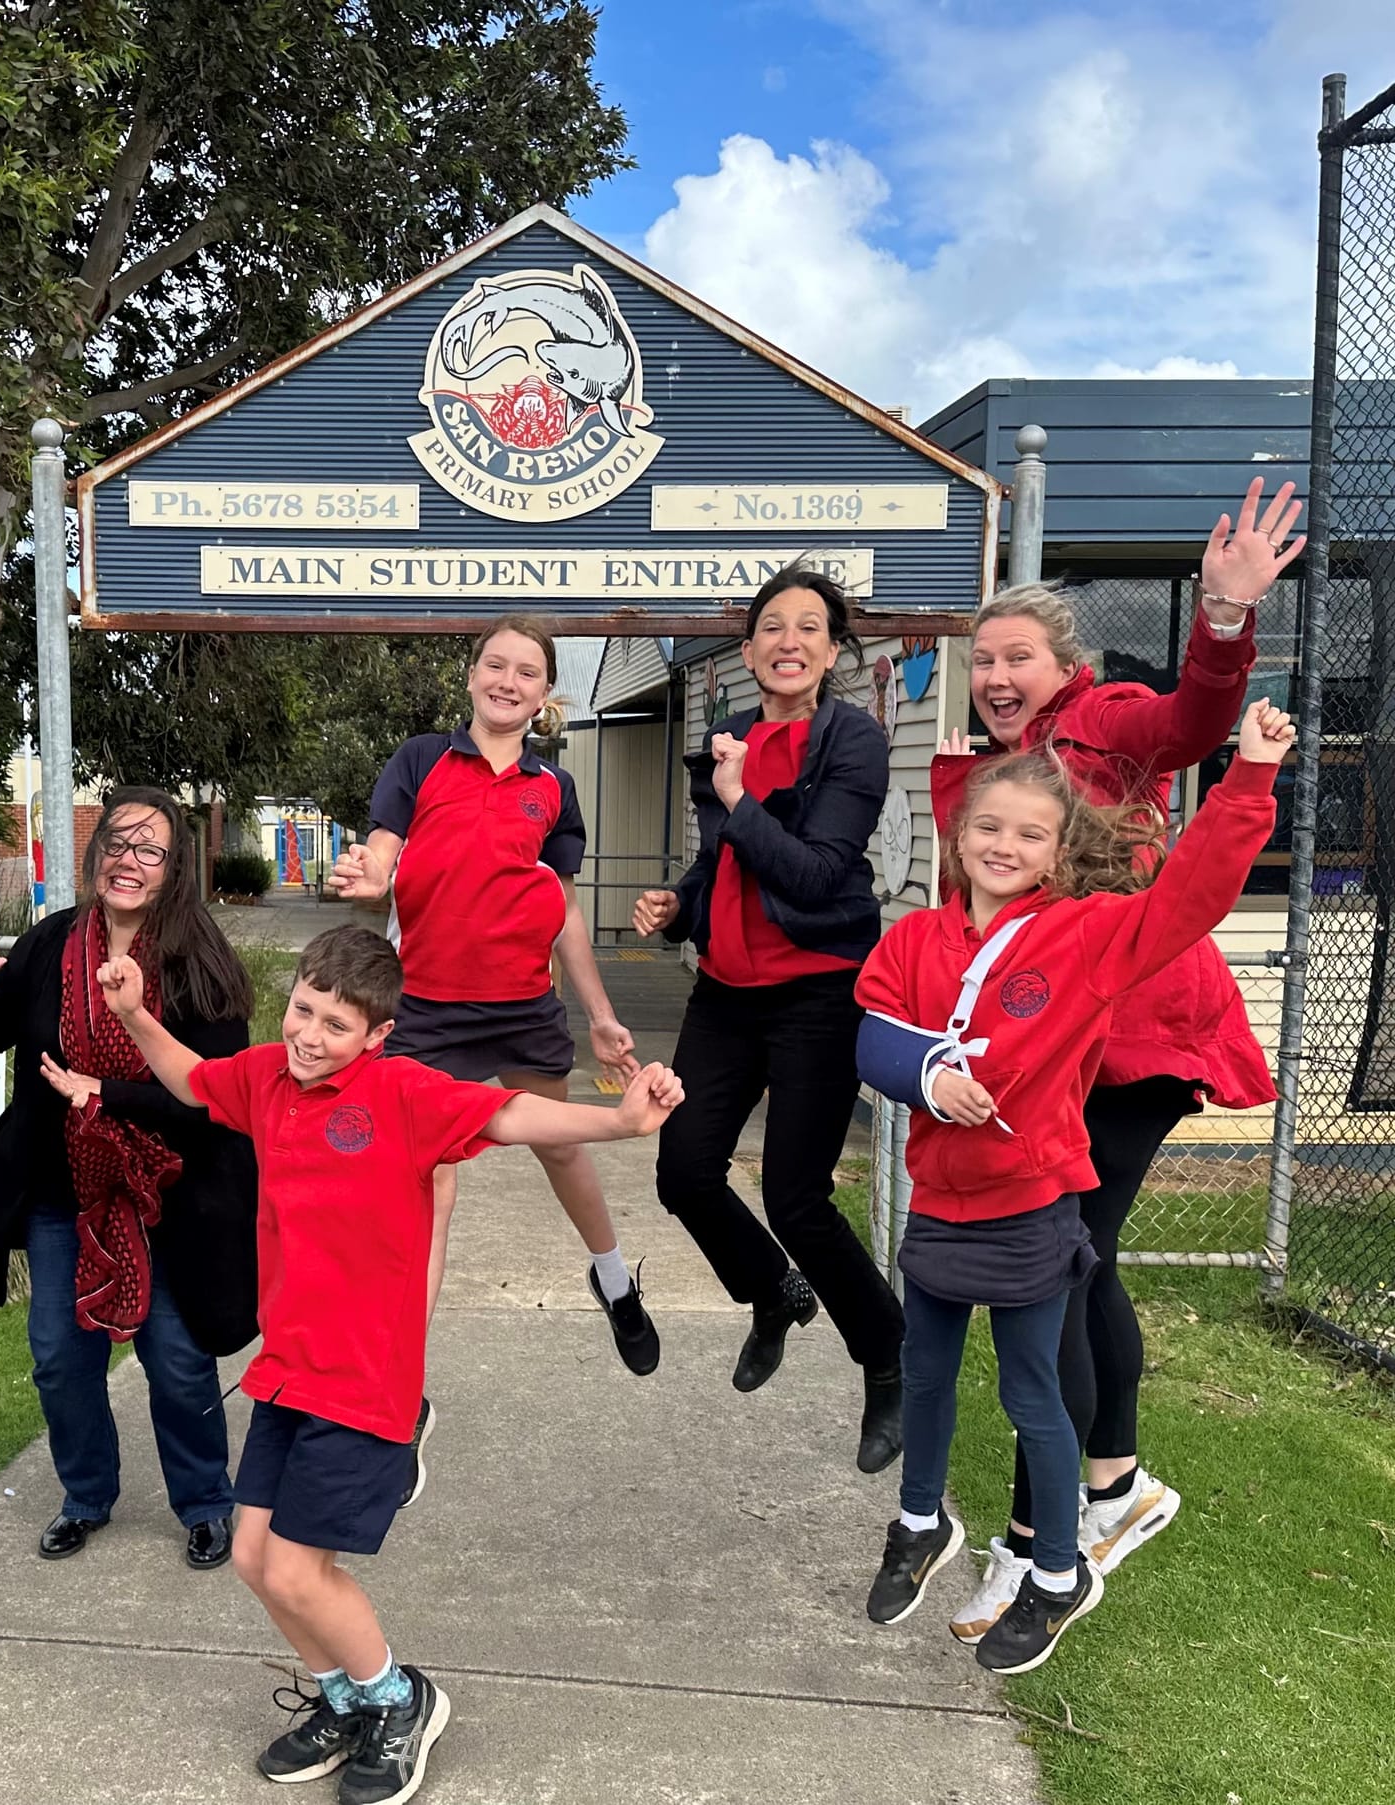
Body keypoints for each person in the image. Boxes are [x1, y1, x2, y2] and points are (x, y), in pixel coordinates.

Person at [98, 923, 683, 1805]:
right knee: (254, 1557)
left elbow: (510, 1114)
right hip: (288, 1368)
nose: (309, 1035)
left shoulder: (402, 1092)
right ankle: (345, 1700)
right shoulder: (266, 1077)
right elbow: (191, 1077)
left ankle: (400, 1698)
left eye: (336, 1025)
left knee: (297, 1569)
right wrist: (136, 1015)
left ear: (378, 1034)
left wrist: (621, 1121)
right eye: (303, 1009)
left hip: (364, 1379)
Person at [932, 475, 1302, 1638]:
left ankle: (1044, 1541)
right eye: (982, 660)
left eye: (1017, 657)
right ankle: (1114, 1486)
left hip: (1139, 1033)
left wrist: (1225, 616)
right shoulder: (994, 772)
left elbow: (1190, 720)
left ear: (1065, 664)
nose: (996, 675)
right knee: (1078, 1264)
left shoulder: (1104, 720)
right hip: (1061, 1051)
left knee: (1048, 1268)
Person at [855, 700, 1292, 1675]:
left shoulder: (1083, 937)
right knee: (922, 1372)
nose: (1003, 846)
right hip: (942, 1198)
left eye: (1029, 834)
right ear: (957, 838)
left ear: (1058, 855)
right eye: (987, 826)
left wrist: (1250, 777)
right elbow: (874, 1034)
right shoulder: (913, 940)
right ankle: (920, 1523)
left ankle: (1056, 1572)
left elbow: (1190, 898)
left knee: (1032, 1392)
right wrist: (928, 1074)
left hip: (1031, 1203)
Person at [330, 615, 658, 1500]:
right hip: (427, 1011)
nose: (508, 681)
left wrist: (600, 1015)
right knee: (430, 1186)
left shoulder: (554, 787)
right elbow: (384, 854)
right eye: (495, 664)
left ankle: (614, 1281)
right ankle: (402, 1396)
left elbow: (562, 910)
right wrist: (372, 874)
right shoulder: (421, 760)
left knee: (562, 1146)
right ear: (472, 674)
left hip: (521, 1007)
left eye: (527, 671)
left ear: (545, 692)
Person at [0, 788, 259, 1571]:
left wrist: (106, 1092)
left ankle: (205, 1501)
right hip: (65, 1191)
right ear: (95, 851)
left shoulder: (200, 958)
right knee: (58, 1354)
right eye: (116, 842)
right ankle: (85, 1494)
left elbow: (215, 1095)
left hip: (169, 1195)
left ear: (175, 867)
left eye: (150, 849)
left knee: (176, 1359)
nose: (128, 861)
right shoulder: (54, 941)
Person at [633, 566, 906, 1473]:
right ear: (748, 650)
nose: (790, 640)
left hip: (817, 993)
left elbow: (818, 874)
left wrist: (741, 798)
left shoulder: (853, 741)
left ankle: (885, 1357)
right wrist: (679, 902)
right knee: (683, 1170)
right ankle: (771, 1290)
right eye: (772, 627)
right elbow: (722, 862)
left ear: (832, 650)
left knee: (796, 1196)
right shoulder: (729, 740)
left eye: (809, 627)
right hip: (725, 991)